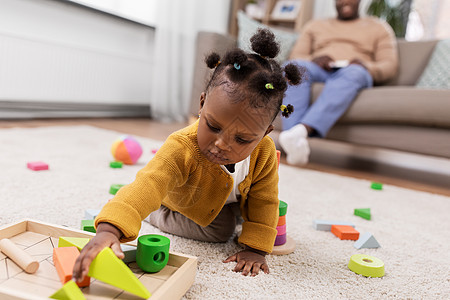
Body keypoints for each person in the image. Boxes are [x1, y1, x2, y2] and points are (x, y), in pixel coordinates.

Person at [72, 28, 301, 281]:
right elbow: (148, 184)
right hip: (183, 203)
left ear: (265, 133)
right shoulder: (182, 146)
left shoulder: (265, 152)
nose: (221, 144)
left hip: (228, 200)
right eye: (213, 126)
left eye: (242, 139)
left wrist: (257, 249)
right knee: (222, 229)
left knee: (251, 214)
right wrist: (109, 230)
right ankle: (156, 213)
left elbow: (265, 198)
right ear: (202, 104)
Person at [279, 0, 398, 165]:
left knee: (355, 72)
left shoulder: (379, 27)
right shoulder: (315, 26)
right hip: (320, 69)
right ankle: (294, 142)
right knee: (293, 68)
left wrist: (365, 65)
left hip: (353, 72)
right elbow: (295, 57)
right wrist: (314, 59)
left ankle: (300, 132)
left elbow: (389, 66)